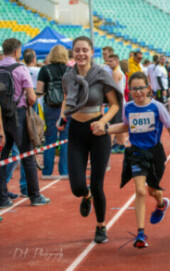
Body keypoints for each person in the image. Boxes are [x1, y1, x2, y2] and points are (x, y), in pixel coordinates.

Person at [93, 72, 170, 248]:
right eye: (134, 88)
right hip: (137, 153)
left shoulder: (157, 107)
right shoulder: (128, 108)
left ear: (148, 88)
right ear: (129, 90)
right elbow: (126, 126)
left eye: (141, 88)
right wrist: (106, 129)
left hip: (155, 153)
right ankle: (141, 233)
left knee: (153, 192)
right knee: (140, 191)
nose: (138, 92)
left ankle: (161, 204)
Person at [59, 36, 122, 243]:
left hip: (98, 132)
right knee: (77, 186)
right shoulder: (68, 77)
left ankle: (101, 225)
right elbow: (66, 99)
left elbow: (114, 104)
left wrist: (103, 122)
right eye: (77, 50)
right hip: (76, 130)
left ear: (91, 52)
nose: (81, 54)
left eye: (85, 50)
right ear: (73, 53)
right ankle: (85, 197)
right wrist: (62, 116)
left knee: (97, 184)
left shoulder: (102, 75)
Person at [0, 38, 50, 209]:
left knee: (2, 157)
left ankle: (2, 197)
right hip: (19, 116)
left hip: (2, 117)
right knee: (27, 156)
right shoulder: (20, 68)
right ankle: (34, 195)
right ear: (17, 52)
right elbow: (31, 96)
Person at [36, 45, 70, 178]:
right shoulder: (70, 70)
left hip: (50, 106)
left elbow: (39, 90)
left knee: (50, 139)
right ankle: (64, 170)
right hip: (66, 107)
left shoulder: (45, 69)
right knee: (65, 139)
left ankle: (47, 171)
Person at [107, 54, 127, 154]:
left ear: (116, 61)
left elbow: (112, 90)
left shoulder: (115, 73)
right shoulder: (119, 71)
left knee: (113, 125)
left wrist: (110, 102)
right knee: (117, 123)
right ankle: (120, 144)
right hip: (120, 102)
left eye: (111, 61)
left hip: (117, 103)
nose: (108, 63)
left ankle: (112, 145)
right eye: (108, 61)